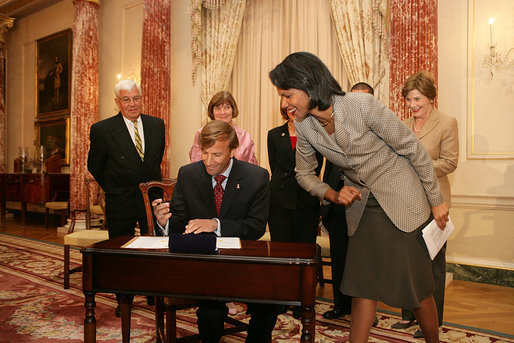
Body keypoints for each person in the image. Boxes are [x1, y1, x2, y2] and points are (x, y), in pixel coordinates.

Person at [269, 52, 449, 343]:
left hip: (401, 199)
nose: (284, 104)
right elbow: (304, 174)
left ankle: (433, 341)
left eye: (288, 94)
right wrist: (331, 193)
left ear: (308, 84)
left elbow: (413, 150)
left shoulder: (360, 105)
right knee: (362, 285)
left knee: (415, 286)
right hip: (363, 209)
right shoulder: (304, 126)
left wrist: (436, 199)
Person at [153, 120, 277, 343]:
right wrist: (165, 223)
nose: (209, 162)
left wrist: (216, 224)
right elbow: (180, 221)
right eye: (205, 153)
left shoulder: (256, 177)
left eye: (217, 155)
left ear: (232, 150)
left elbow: (256, 226)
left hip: (242, 260)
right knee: (210, 313)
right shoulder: (188, 174)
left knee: (270, 301)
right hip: (205, 263)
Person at [87, 79, 165, 316]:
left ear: (142, 98)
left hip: (151, 198)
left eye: (136, 98)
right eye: (126, 99)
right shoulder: (102, 130)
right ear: (117, 102)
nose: (132, 104)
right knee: (122, 251)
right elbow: (95, 165)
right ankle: (124, 300)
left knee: (154, 248)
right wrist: (113, 187)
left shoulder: (156, 124)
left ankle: (154, 295)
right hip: (120, 199)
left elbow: (155, 160)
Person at [391, 70, 459, 338]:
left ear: (430, 97)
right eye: (409, 100)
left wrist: (417, 166)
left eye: (417, 98)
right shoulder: (403, 125)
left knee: (433, 265)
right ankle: (409, 315)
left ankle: (432, 321)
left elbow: (450, 162)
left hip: (435, 203)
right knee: (408, 262)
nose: (413, 105)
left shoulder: (446, 123)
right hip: (406, 203)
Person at [321, 83, 375, 324]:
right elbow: (328, 167)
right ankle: (341, 306)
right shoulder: (336, 127)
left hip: (365, 206)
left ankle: (366, 313)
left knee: (364, 262)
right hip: (337, 205)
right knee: (340, 257)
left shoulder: (377, 129)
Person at [267, 106, 323, 319]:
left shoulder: (316, 134)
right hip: (280, 202)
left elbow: (318, 167)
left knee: (303, 254)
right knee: (282, 253)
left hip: (306, 201)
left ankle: (303, 299)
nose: (292, 110)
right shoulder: (274, 134)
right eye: (287, 107)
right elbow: (276, 168)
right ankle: (282, 298)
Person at [189, 91, 258, 165]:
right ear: (212, 111)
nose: (222, 112)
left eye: (227, 108)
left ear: (233, 109)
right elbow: (196, 164)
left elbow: (252, 167)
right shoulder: (201, 134)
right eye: (218, 108)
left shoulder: (245, 137)